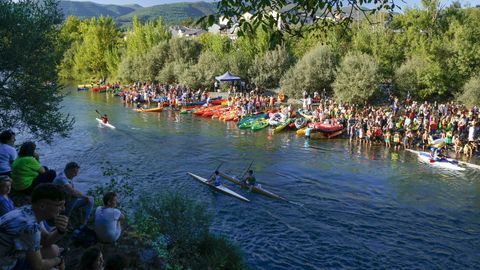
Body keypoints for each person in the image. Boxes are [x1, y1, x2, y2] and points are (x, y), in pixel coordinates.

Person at [0, 184, 68, 270]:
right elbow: (38, 266)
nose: (63, 208)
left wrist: (60, 231)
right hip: (5, 265)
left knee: (54, 250)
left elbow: (46, 241)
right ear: (42, 205)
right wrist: (59, 260)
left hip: (7, 255)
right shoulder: (30, 227)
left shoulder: (27, 210)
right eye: (60, 205)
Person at [53, 162, 93, 229]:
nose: (76, 174)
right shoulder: (61, 178)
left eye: (76, 172)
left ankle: (84, 222)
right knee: (75, 197)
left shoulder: (67, 177)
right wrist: (85, 196)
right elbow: (73, 192)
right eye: (74, 172)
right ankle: (66, 218)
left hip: (65, 202)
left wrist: (86, 197)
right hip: (58, 204)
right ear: (67, 170)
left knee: (91, 199)